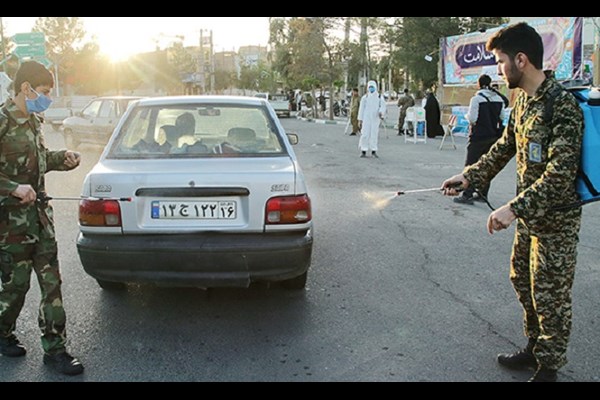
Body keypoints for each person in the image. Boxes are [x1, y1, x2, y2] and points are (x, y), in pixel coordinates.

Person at [442, 22, 584, 383]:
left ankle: (549, 367)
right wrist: (470, 175)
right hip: (529, 219)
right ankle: (534, 347)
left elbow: (559, 175)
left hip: (556, 222)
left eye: (502, 61)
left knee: (551, 295)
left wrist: (511, 209)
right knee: (523, 280)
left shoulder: (562, 106)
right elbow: (505, 147)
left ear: (522, 60)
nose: (499, 69)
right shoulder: (523, 105)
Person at [0, 61, 84, 375]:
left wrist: (62, 158)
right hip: (11, 226)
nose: (47, 98)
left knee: (52, 285)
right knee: (15, 288)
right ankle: (2, 332)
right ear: (26, 87)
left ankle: (55, 349)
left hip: (41, 219)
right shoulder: (2, 120)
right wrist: (12, 188)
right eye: (44, 92)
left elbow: (37, 160)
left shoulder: (35, 121)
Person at [453, 74, 506, 205]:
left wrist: (466, 116)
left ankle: (467, 194)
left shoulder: (476, 99)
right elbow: (502, 117)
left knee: (470, 165)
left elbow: (472, 119)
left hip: (478, 137)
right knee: (486, 164)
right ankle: (483, 194)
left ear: (478, 84)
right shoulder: (499, 98)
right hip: (493, 136)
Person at [358, 80, 387, 158]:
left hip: (375, 118)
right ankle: (363, 150)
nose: (371, 89)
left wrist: (381, 112)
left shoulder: (379, 97)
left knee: (374, 134)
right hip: (366, 118)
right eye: (370, 87)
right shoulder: (365, 97)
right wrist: (360, 119)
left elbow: (383, 106)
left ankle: (374, 150)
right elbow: (361, 109)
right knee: (365, 134)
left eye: (372, 87)